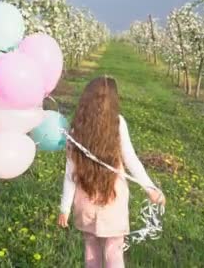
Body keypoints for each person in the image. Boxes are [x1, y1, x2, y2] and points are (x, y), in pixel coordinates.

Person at [57, 76, 165, 268]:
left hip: (85, 200)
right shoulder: (118, 123)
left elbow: (70, 174)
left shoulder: (76, 130)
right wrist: (150, 188)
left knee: (91, 249)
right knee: (114, 251)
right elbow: (131, 159)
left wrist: (64, 208)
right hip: (112, 199)